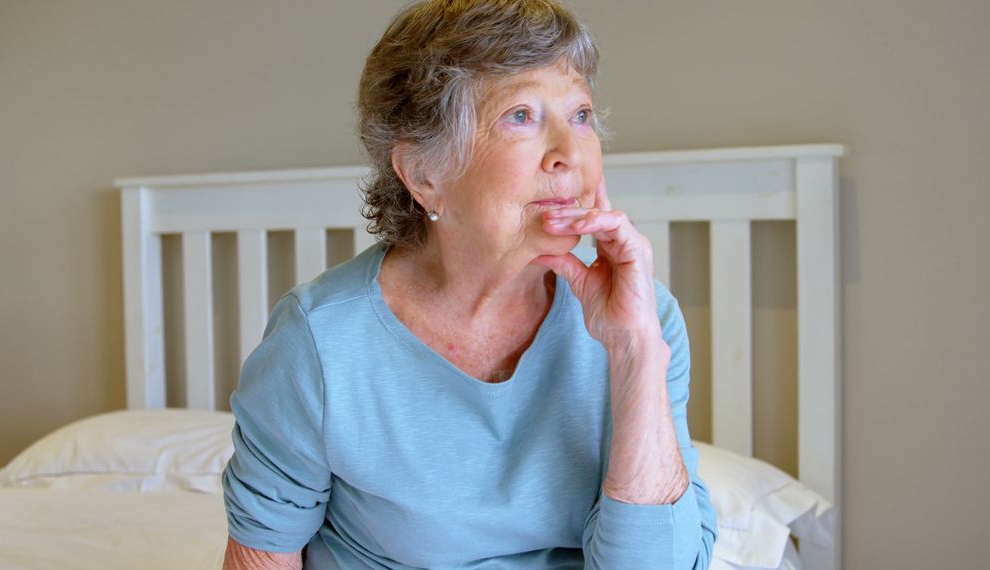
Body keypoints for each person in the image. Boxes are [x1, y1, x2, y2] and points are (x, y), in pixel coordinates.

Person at [222, 1, 718, 568]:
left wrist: (635, 351)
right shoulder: (320, 341)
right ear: (425, 174)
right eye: (521, 116)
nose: (569, 154)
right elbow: (261, 557)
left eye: (580, 114)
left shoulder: (644, 318)